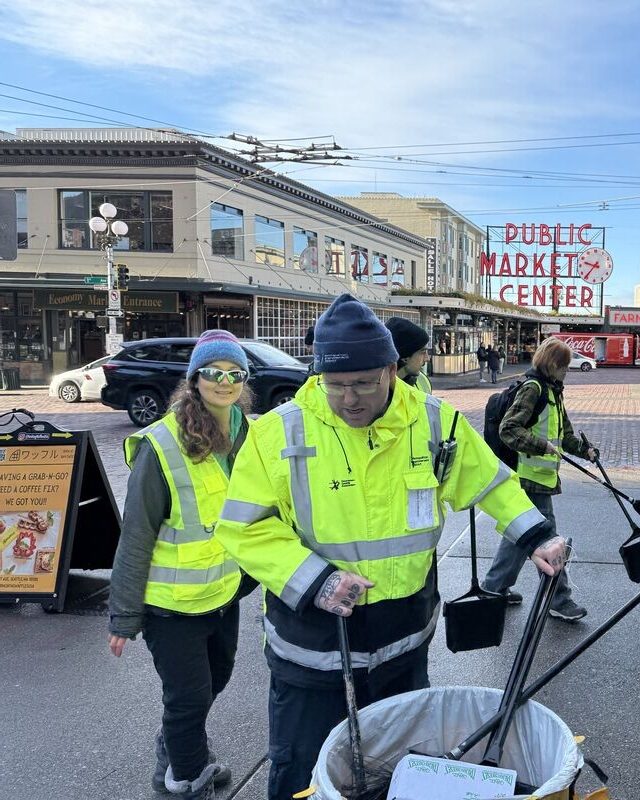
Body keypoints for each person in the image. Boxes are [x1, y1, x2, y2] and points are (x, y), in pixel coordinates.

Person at [212, 294, 566, 800]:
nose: (349, 398)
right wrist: (317, 580)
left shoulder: (434, 422)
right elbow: (243, 528)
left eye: (363, 382)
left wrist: (536, 536)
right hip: (314, 645)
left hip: (403, 642)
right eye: (335, 385)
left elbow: (490, 483)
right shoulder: (278, 432)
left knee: (399, 772)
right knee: (303, 772)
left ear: (391, 369)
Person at [108, 330, 256, 800]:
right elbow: (136, 536)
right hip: (169, 605)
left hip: (220, 592)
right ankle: (184, 781)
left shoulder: (246, 432)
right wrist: (124, 614)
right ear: (194, 379)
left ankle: (177, 749)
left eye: (235, 373)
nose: (224, 381)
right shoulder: (162, 444)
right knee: (189, 698)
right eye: (214, 372)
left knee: (214, 683)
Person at [482, 337, 596, 623]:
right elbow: (509, 429)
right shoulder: (533, 389)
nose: (567, 372)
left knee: (520, 538)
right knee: (549, 542)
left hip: (541, 479)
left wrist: (586, 450)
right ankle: (559, 600)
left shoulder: (552, 391)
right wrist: (539, 445)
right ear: (552, 364)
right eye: (564, 367)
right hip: (528, 479)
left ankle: (493, 589)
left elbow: (565, 435)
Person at [385, 316, 433, 394]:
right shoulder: (376, 389)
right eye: (423, 352)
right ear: (405, 357)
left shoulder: (423, 380)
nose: (427, 359)